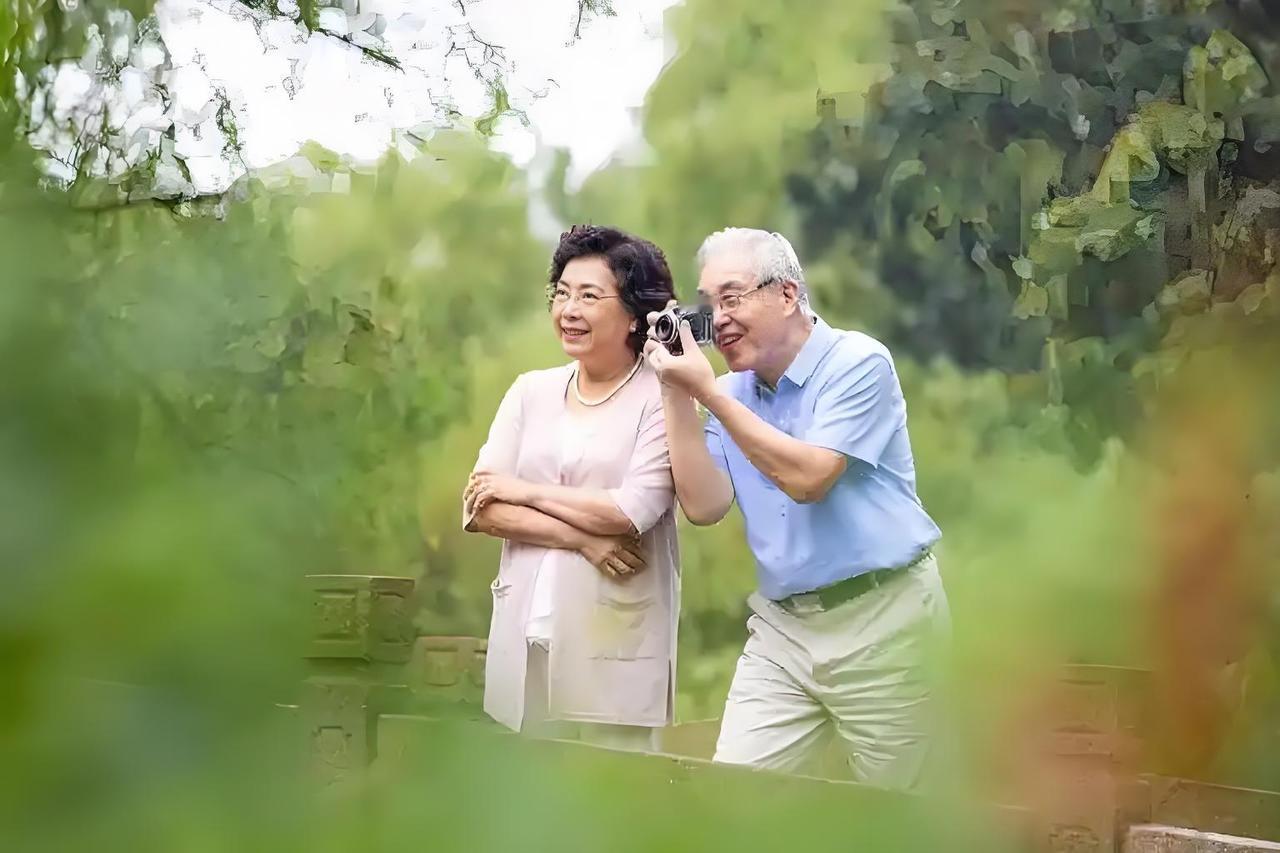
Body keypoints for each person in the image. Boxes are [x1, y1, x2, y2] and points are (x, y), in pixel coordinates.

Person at [643, 227, 949, 787]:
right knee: (733, 800)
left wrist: (708, 392)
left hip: (885, 621)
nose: (718, 319)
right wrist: (674, 389)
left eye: (731, 298)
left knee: (898, 816)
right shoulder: (732, 391)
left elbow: (809, 477)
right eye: (707, 306)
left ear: (786, 295)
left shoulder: (858, 362)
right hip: (783, 630)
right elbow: (705, 505)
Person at [463, 225, 680, 752]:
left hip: (614, 640)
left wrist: (525, 490)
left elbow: (630, 513)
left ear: (634, 314)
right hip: (525, 635)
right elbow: (481, 509)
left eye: (588, 295)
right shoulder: (530, 391)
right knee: (527, 815)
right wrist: (582, 540)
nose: (569, 310)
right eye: (562, 293)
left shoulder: (664, 396)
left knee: (617, 812)